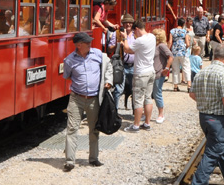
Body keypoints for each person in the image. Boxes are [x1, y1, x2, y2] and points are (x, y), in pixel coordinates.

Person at [185, 44, 224, 185]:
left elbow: (192, 94)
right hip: (217, 119)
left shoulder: (203, 71)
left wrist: (206, 103)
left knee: (219, 149)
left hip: (204, 117)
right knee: (212, 153)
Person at [61, 32, 113, 171]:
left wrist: (108, 80)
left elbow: (109, 67)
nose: (90, 44)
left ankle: (93, 158)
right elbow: (67, 76)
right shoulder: (69, 60)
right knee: (72, 129)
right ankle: (70, 161)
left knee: (94, 129)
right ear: (78, 45)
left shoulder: (98, 54)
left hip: (94, 99)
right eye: (87, 43)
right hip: (76, 98)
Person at [121, 20, 156, 132]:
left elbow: (127, 50)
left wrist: (125, 38)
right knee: (148, 98)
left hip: (141, 73)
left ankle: (136, 125)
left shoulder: (140, 41)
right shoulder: (152, 37)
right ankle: (147, 123)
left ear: (136, 29)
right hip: (151, 71)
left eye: (134, 32)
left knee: (138, 100)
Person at [112, 14, 135, 110]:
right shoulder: (117, 34)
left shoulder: (136, 34)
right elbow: (110, 49)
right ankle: (114, 112)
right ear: (122, 24)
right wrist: (118, 44)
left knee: (135, 90)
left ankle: (135, 112)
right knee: (118, 90)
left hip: (134, 65)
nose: (128, 24)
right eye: (125, 22)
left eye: (130, 22)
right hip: (121, 66)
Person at [151, 29, 173, 124]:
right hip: (153, 73)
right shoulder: (156, 46)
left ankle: (161, 114)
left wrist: (167, 69)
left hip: (159, 73)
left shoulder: (161, 46)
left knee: (157, 93)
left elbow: (171, 56)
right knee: (151, 94)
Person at [169, 17, 192, 92]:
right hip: (183, 52)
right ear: (184, 24)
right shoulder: (185, 32)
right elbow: (188, 44)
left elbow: (170, 42)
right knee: (186, 68)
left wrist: (169, 50)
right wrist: (185, 46)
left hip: (174, 52)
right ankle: (189, 86)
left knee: (175, 69)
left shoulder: (172, 31)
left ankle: (175, 86)